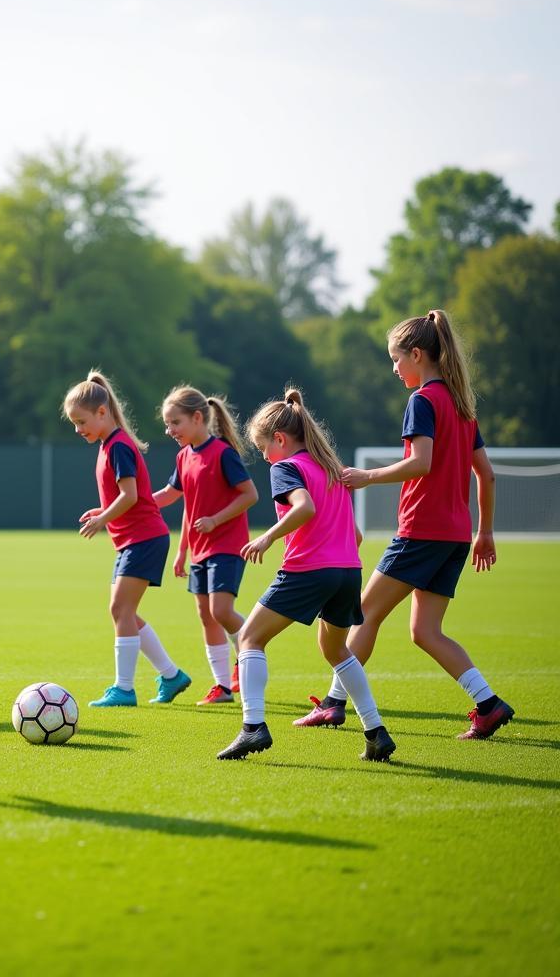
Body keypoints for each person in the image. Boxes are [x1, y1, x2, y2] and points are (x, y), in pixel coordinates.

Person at [296, 310, 513, 741]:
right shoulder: (461, 404)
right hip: (455, 535)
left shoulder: (424, 400)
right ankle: (489, 705)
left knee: (364, 613)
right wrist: (484, 531)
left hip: (421, 531)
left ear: (417, 354)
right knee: (425, 631)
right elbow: (486, 474)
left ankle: (335, 705)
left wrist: (366, 477)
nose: (394, 369)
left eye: (396, 360)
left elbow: (421, 462)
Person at [217, 389, 395, 762]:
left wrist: (266, 537)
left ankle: (253, 729)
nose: (264, 457)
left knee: (249, 637)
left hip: (309, 569)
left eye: (264, 447)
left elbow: (304, 508)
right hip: (348, 571)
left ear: (280, 439)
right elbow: (357, 534)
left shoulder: (285, 468)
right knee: (336, 650)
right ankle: (376, 732)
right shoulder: (331, 469)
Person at [63, 371, 190, 707]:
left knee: (120, 609)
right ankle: (171, 675)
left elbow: (131, 495)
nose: (78, 430)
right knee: (125, 613)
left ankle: (124, 689)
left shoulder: (118, 446)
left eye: (81, 421)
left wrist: (104, 518)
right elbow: (122, 497)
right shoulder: (108, 445)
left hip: (144, 539)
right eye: (74, 424)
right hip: (133, 540)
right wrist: (102, 510)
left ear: (102, 412)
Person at [153, 386, 258, 705]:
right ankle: (223, 687)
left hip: (227, 545)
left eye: (175, 423)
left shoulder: (224, 453)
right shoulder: (183, 456)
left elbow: (250, 495)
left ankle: (251, 651)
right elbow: (177, 500)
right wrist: (181, 549)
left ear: (197, 418)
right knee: (206, 616)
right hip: (198, 549)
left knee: (220, 610)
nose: (169, 430)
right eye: (168, 424)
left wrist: (215, 520)